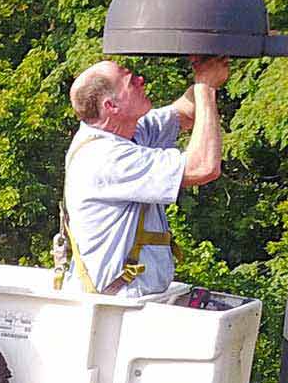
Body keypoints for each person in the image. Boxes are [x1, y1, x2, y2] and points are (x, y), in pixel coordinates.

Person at [60, 56, 228, 297]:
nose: (141, 80)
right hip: (115, 309)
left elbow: (185, 113)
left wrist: (207, 67)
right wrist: (205, 88)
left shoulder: (125, 132)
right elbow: (204, 167)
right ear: (111, 106)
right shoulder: (105, 158)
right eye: (131, 82)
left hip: (129, 302)